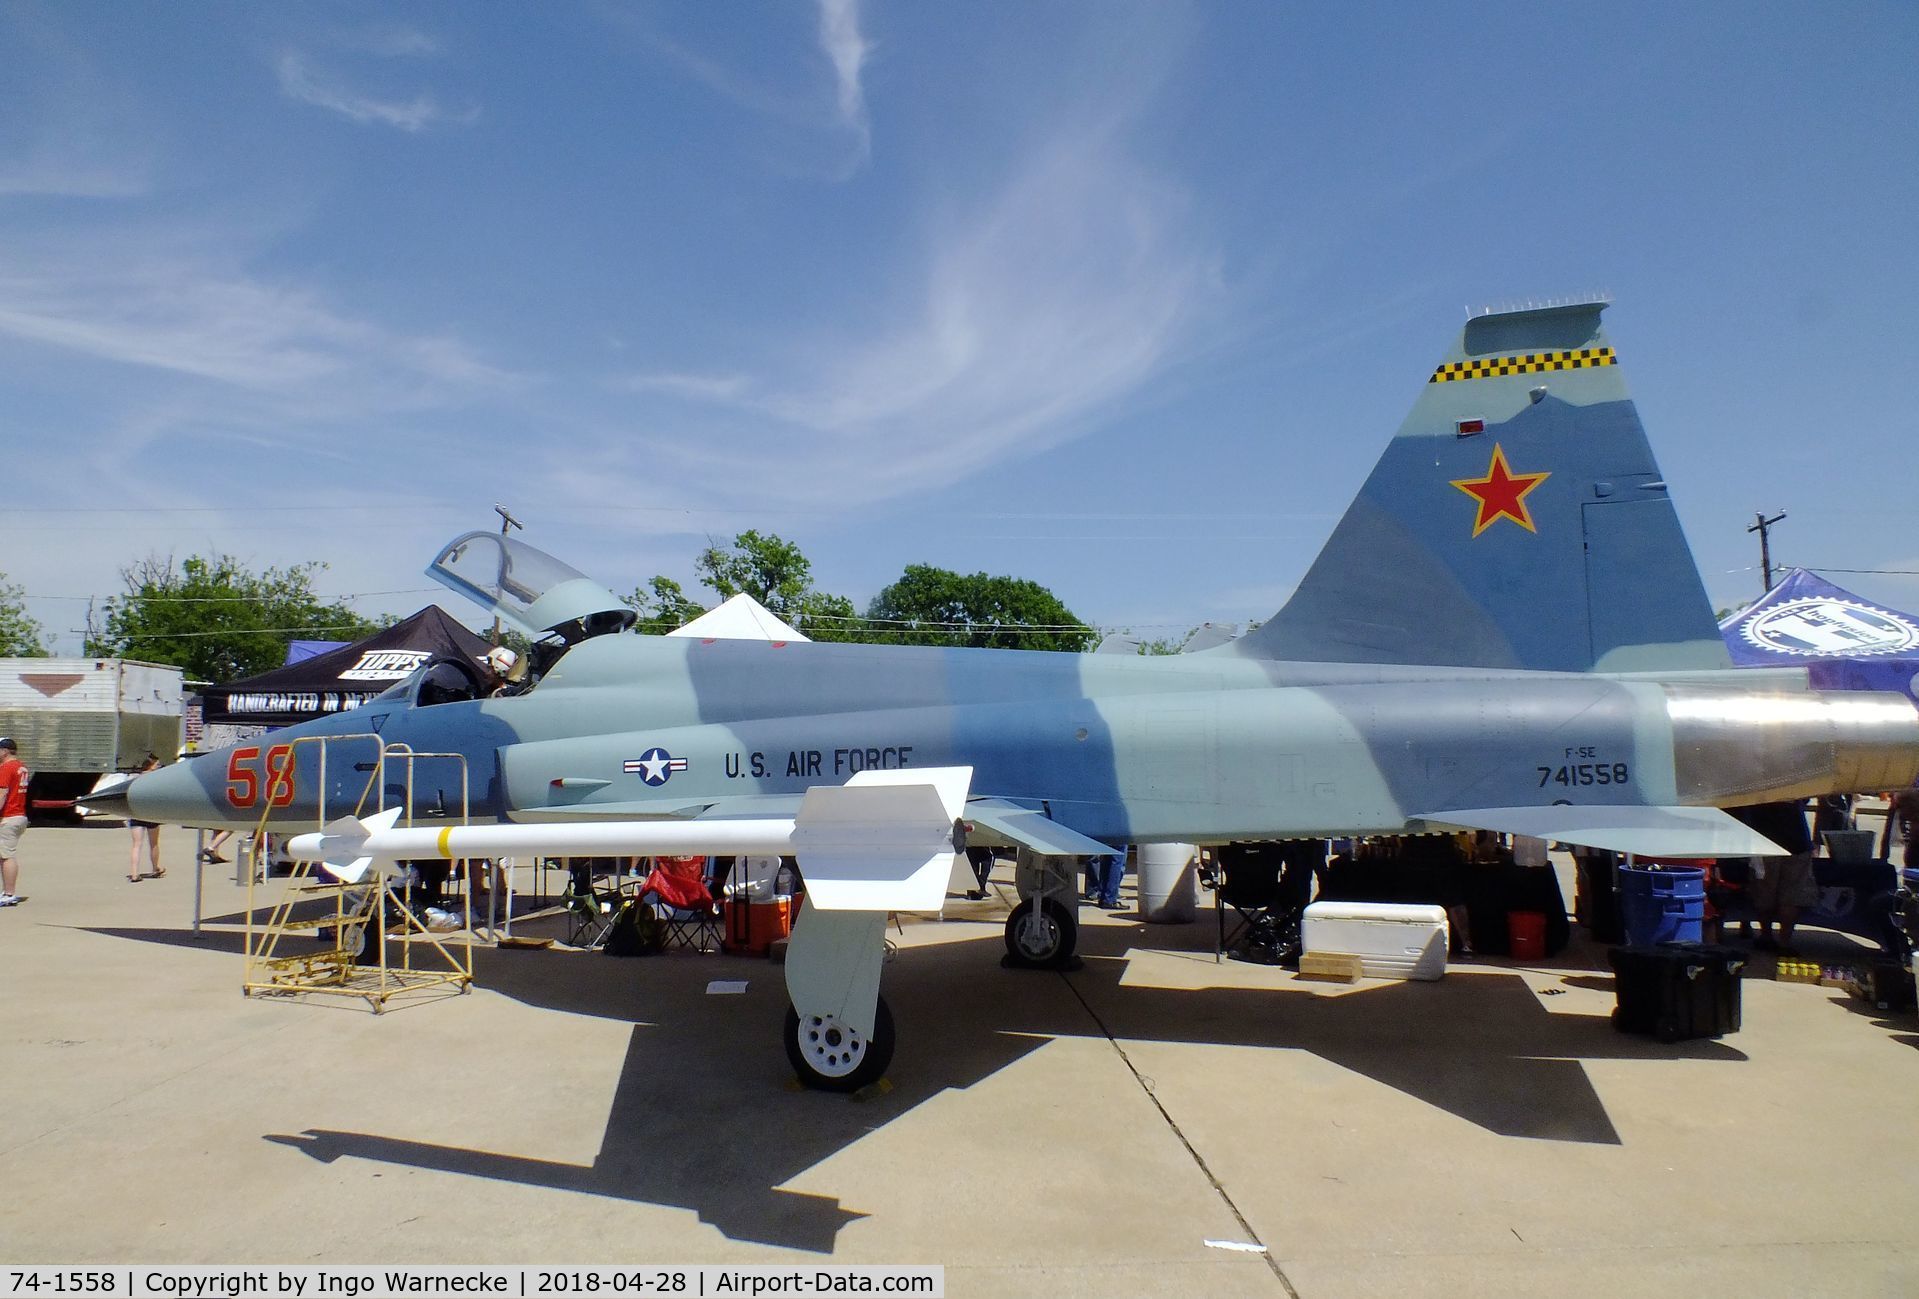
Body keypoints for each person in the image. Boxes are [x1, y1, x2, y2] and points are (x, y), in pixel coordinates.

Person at [1734, 800, 1818, 954]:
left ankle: (1766, 936)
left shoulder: (1757, 781)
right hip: (1796, 838)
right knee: (1792, 894)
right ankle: (1784, 942)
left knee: (1764, 892)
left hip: (1763, 839)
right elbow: (1805, 799)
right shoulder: (1795, 779)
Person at [0, 736, 29, 907]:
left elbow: (1, 795)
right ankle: (7, 892)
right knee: (4, 854)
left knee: (6, 855)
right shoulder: (21, 767)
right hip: (19, 815)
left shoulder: (5, 768)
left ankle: (9, 893)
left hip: (8, 817)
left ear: (4, 751)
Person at [127, 756, 164, 882]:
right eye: (157, 764)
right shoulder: (157, 779)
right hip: (151, 813)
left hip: (135, 812)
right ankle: (155, 869)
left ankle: (134, 873)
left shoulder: (133, 778)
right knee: (154, 843)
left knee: (136, 845)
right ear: (151, 765)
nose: (158, 766)